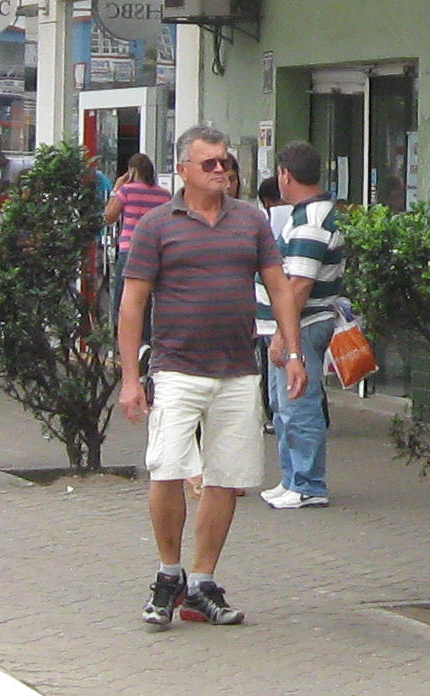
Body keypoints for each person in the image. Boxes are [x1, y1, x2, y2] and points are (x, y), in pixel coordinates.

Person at [117, 125, 308, 629]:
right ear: (183, 170)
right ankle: (168, 575)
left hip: (237, 371)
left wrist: (292, 352)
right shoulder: (157, 225)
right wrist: (131, 378)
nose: (222, 170)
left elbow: (280, 286)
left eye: (225, 162)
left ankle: (202, 583)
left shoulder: (251, 220)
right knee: (166, 470)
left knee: (225, 477)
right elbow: (133, 303)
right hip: (176, 369)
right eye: (210, 164)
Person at [262, 141, 344, 510]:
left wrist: (284, 335)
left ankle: (308, 483)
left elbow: (298, 285)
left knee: (299, 405)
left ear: (285, 175)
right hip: (298, 324)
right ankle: (292, 478)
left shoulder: (311, 220)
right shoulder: (308, 214)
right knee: (282, 405)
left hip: (304, 325)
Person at [104, 154, 170, 326]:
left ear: (132, 171)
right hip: (155, 252)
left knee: (124, 299)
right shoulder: (164, 195)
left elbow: (109, 216)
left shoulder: (127, 191)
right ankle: (146, 337)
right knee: (147, 302)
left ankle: (123, 336)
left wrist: (116, 188)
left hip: (129, 250)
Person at [253, 176, 292, 433]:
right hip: (272, 312)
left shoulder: (272, 219)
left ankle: (277, 417)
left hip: (271, 312)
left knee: (277, 371)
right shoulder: (292, 216)